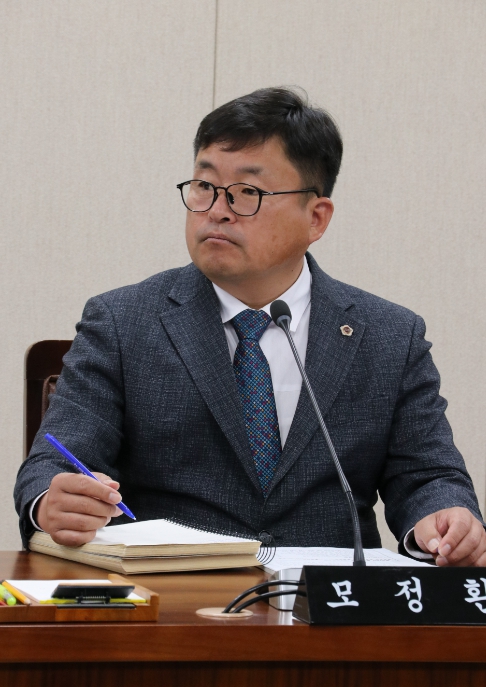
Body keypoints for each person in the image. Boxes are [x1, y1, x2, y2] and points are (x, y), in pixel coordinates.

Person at [14, 87, 486, 567]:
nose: (217, 209)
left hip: (328, 602)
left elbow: (429, 477)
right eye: (204, 186)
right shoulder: (123, 322)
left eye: (247, 193)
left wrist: (445, 520)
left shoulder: (389, 337)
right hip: (172, 596)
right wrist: (52, 501)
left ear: (316, 218)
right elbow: (54, 463)